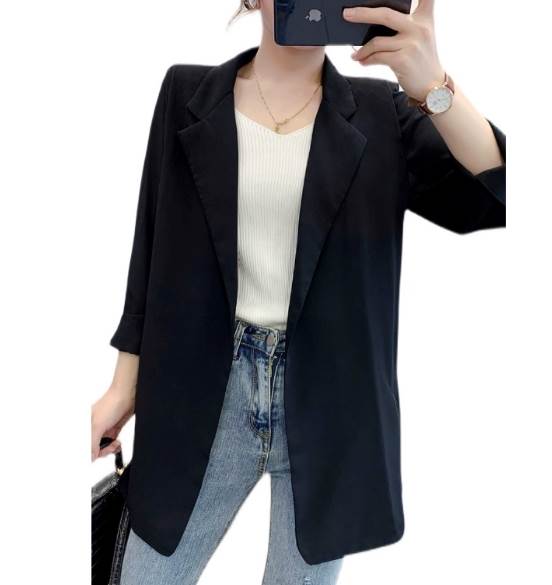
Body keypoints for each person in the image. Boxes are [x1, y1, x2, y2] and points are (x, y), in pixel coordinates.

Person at [91, 1, 506, 584]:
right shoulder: (187, 94)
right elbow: (151, 242)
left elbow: (498, 194)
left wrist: (432, 86)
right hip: (203, 387)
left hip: (329, 402)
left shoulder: (382, 114)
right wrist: (122, 385)